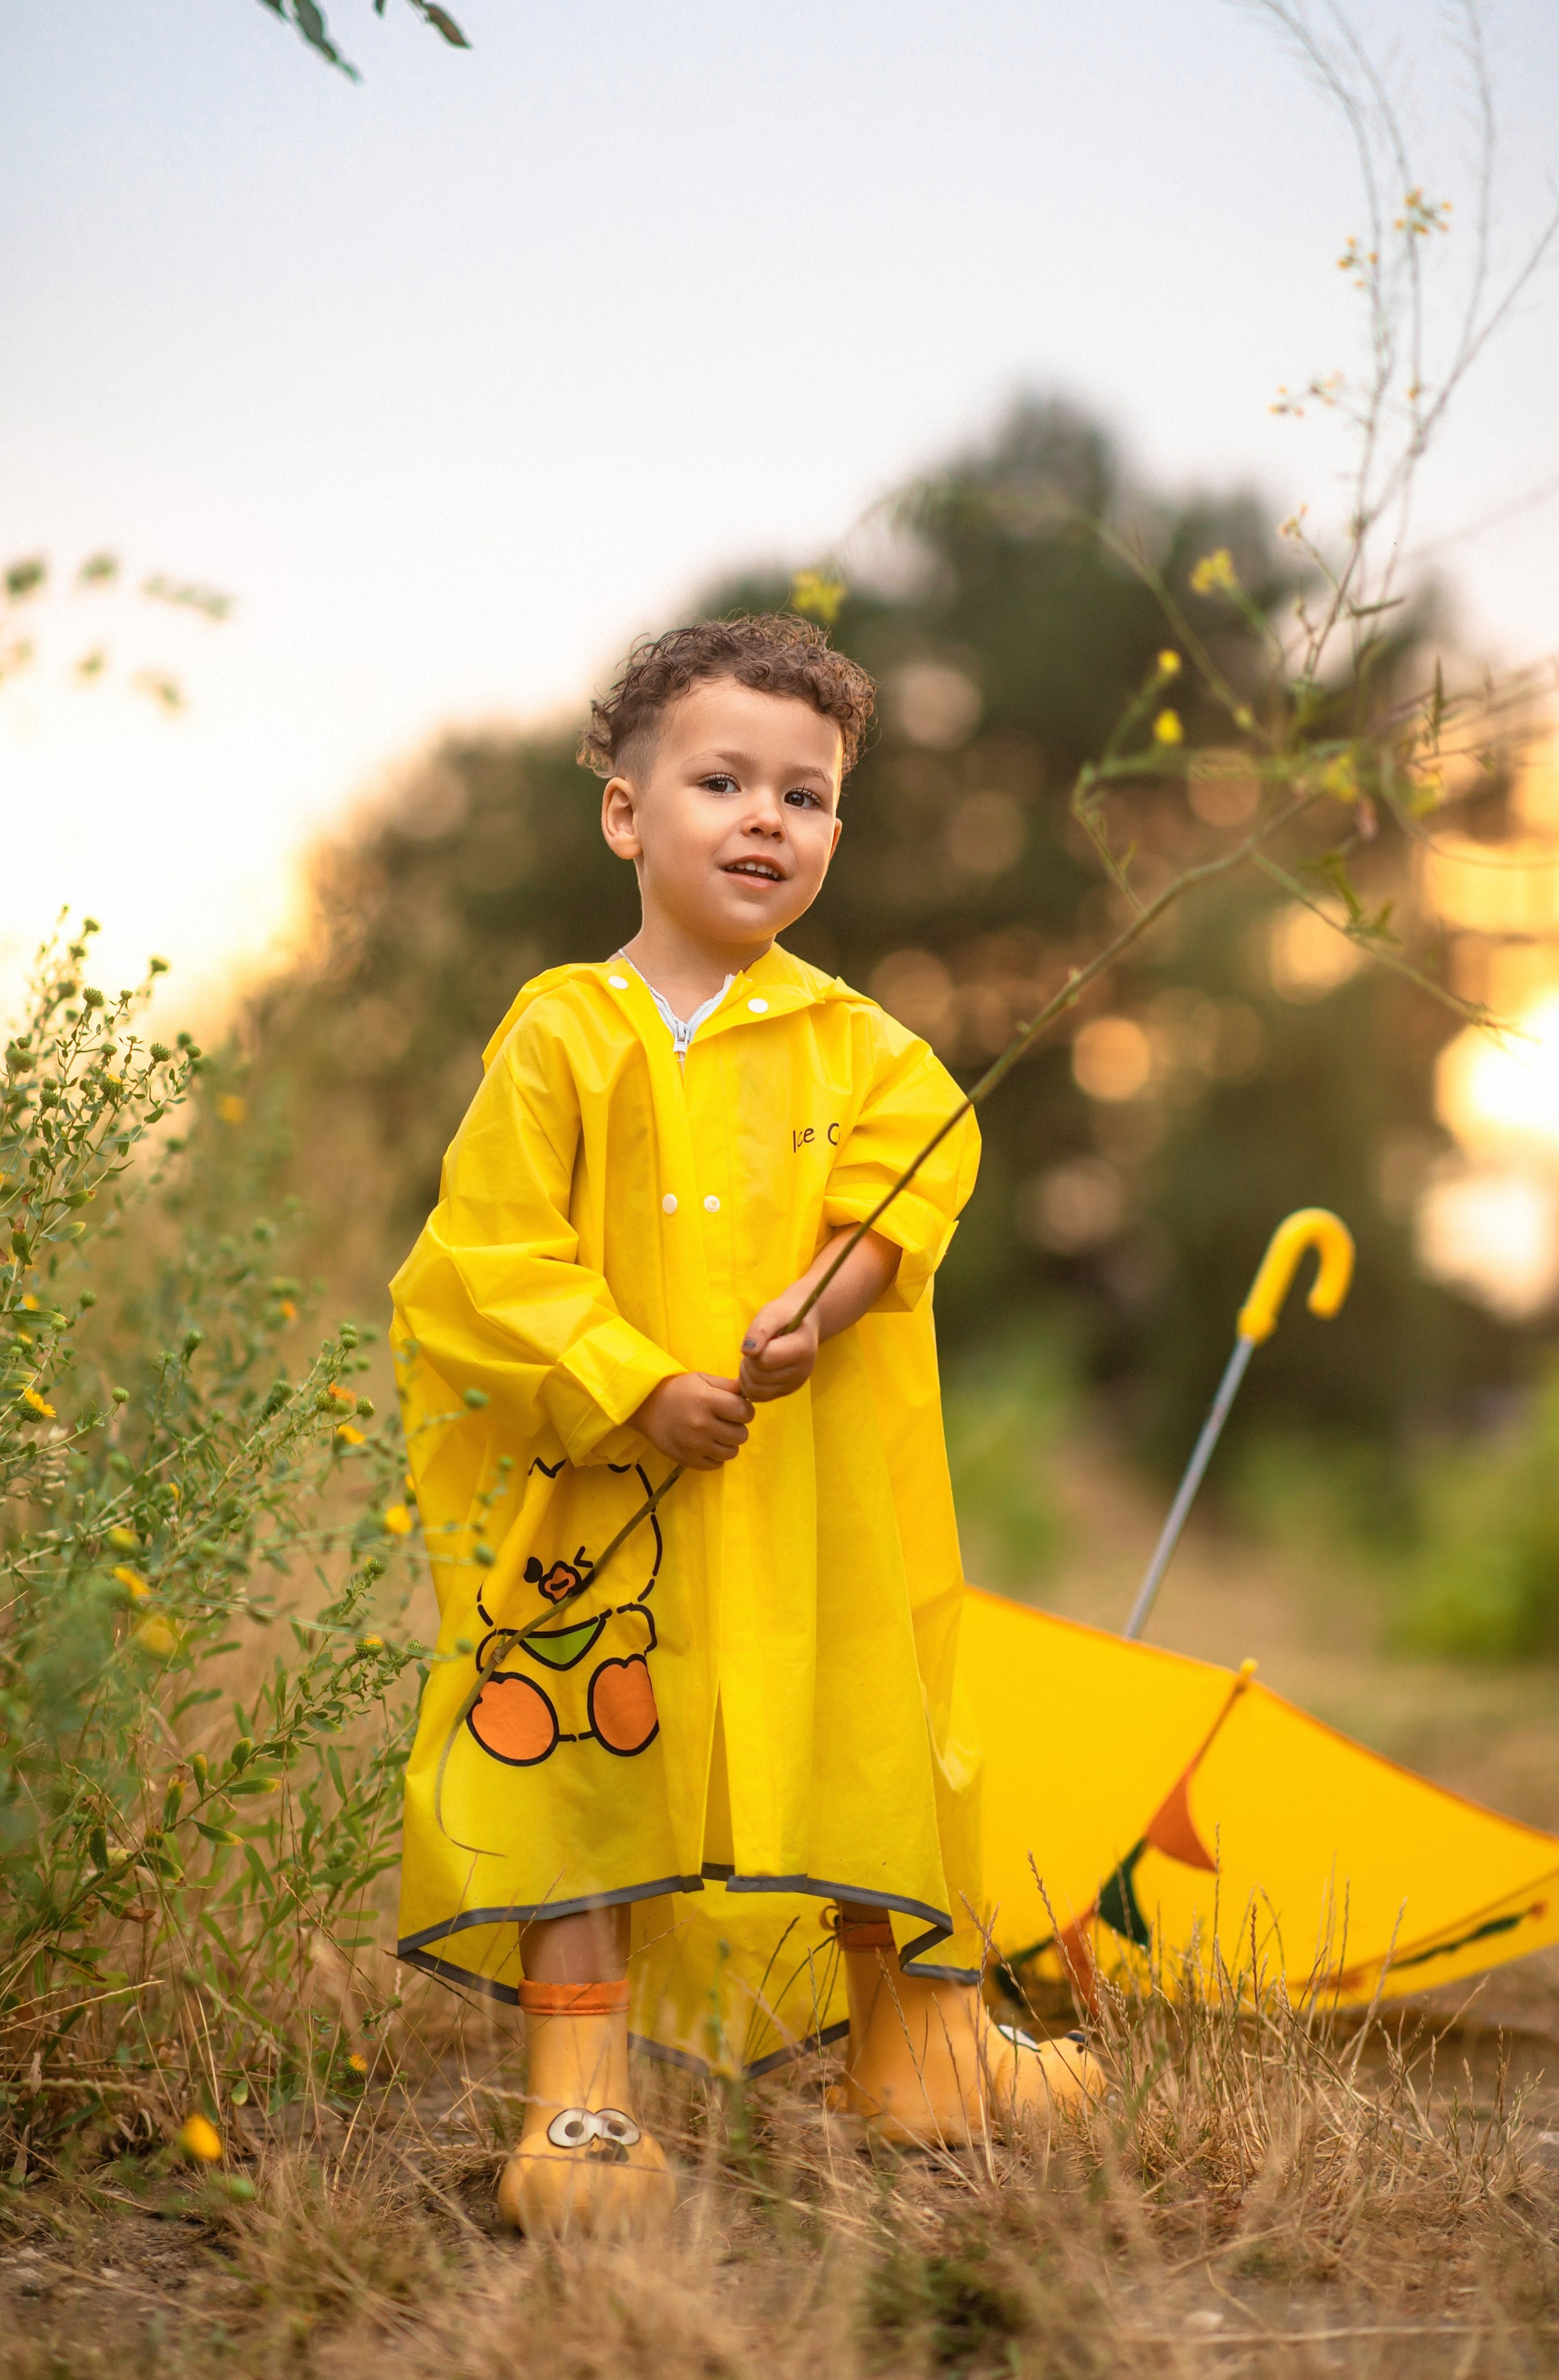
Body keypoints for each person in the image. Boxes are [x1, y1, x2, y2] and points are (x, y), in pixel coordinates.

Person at [391, 614, 1097, 2237]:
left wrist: (817, 1307)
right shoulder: (561, 1035)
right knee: (578, 1751)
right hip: (604, 1502)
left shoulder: (865, 1049)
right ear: (625, 813)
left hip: (812, 1503)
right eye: (723, 781)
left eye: (809, 793)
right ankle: (579, 2101)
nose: (768, 817)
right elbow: (484, 1260)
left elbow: (903, 1194)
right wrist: (635, 1381)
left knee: (867, 1735)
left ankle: (919, 2045)